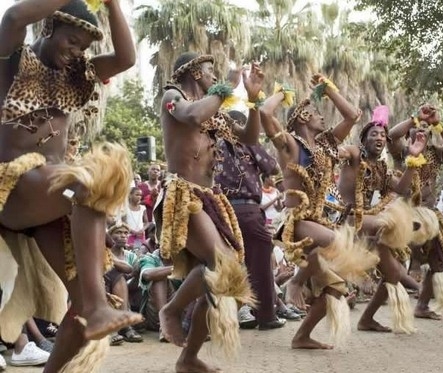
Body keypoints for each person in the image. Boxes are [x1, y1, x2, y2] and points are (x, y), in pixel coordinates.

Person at [0, 1, 141, 371]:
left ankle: (87, 312)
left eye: (83, 47)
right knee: (89, 180)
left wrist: (111, 3)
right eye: (71, 41)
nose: (76, 52)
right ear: (50, 28)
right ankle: (98, 308)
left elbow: (126, 59)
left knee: (77, 304)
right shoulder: (14, 60)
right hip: (11, 185)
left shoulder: (77, 75)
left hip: (50, 198)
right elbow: (13, 16)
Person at [153, 52, 264, 372]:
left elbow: (250, 138)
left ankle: (187, 359)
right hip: (183, 194)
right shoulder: (173, 98)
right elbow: (190, 116)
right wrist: (226, 87)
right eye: (210, 71)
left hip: (210, 198)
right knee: (222, 265)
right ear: (195, 73)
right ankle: (171, 310)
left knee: (224, 279)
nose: (215, 76)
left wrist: (253, 100)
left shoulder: (215, 112)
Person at [260, 77, 379, 350]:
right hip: (296, 222)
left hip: (319, 223)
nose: (323, 117)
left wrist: (329, 89)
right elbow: (265, 113)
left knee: (335, 289)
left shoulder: (325, 146)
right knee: (337, 242)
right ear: (303, 116)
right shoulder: (290, 145)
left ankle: (302, 336)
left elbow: (353, 115)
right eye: (316, 113)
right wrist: (282, 93)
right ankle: (295, 282)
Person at [337, 105, 427, 334]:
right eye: (373, 134)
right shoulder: (355, 156)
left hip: (370, 222)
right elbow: (342, 150)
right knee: (385, 222)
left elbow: (403, 190)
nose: (379, 137)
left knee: (394, 274)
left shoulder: (383, 168)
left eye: (382, 135)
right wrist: (338, 151)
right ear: (364, 140)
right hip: (348, 220)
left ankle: (366, 319)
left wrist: (413, 160)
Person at [387, 104, 443, 320]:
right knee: (399, 259)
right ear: (409, 132)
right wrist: (415, 118)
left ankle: (421, 305)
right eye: (416, 128)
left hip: (429, 213)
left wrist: (437, 122)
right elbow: (392, 135)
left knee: (438, 260)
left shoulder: (437, 154)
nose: (421, 131)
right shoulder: (402, 152)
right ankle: (412, 269)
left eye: (425, 129)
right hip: (405, 213)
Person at [214, 109, 286, 330]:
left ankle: (218, 318)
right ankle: (266, 316)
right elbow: (272, 166)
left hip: (220, 212)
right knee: (261, 264)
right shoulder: (247, 143)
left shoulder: (210, 144)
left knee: (226, 265)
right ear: (241, 126)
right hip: (247, 211)